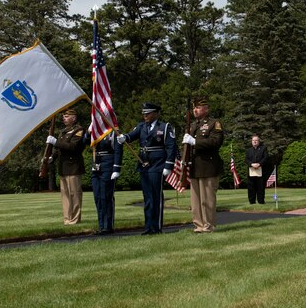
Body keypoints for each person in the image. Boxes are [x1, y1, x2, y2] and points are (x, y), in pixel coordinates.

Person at [117, 103, 176, 235]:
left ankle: (157, 227)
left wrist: (168, 165)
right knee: (147, 197)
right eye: (144, 113)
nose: (145, 116)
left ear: (156, 113)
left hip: (158, 164)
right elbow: (131, 135)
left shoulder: (165, 127)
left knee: (156, 196)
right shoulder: (141, 127)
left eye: (148, 113)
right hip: (144, 164)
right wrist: (124, 137)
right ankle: (149, 226)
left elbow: (171, 147)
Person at [182, 97, 224, 232]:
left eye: (198, 107)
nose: (195, 110)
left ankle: (209, 225)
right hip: (194, 166)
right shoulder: (192, 125)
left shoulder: (214, 123)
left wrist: (195, 142)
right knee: (196, 201)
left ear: (206, 109)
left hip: (208, 166)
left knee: (207, 200)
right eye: (194, 107)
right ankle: (199, 225)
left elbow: (215, 142)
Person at [46, 108, 86, 225]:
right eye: (64, 117)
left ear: (74, 118)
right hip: (63, 168)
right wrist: (52, 157)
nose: (64, 118)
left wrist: (56, 142)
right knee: (65, 196)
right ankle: (67, 219)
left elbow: (72, 147)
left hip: (73, 167)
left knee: (75, 195)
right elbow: (59, 149)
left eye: (67, 116)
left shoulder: (78, 130)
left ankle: (75, 219)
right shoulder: (63, 131)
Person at [84, 129, 123, 234]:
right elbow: (85, 142)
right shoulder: (96, 130)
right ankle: (101, 226)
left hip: (108, 163)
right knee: (97, 197)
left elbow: (118, 150)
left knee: (106, 195)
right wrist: (88, 132)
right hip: (96, 163)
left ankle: (108, 226)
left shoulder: (113, 131)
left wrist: (116, 168)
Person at [245, 135, 269, 204]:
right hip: (251, 171)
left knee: (260, 186)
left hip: (261, 170)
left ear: (259, 141)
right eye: (253, 140)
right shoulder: (248, 150)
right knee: (251, 187)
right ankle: (252, 201)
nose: (254, 142)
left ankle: (261, 201)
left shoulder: (263, 148)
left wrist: (259, 164)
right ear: (251, 141)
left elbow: (266, 157)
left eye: (256, 140)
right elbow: (246, 159)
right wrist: (251, 164)